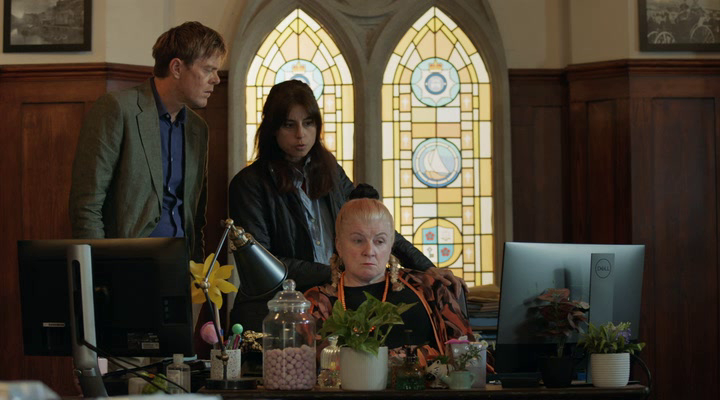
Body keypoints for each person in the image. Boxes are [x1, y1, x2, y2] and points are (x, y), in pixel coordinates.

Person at [228, 80, 465, 331]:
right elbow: (265, 264)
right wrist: (339, 272)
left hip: (331, 304)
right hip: (275, 314)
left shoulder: (330, 171)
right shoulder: (249, 184)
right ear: (272, 129)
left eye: (308, 123)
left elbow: (374, 227)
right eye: (289, 125)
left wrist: (427, 267)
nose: (300, 134)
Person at [69, 21, 226, 262]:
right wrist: (100, 269)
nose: (216, 79)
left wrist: (196, 273)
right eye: (208, 70)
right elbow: (87, 206)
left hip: (180, 266)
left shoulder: (198, 128)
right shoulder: (117, 109)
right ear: (176, 67)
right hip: (125, 264)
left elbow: (195, 217)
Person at [304, 197, 474, 365]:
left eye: (379, 241)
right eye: (358, 240)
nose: (369, 251)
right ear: (339, 245)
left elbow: (469, 358)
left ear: (391, 245)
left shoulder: (429, 288)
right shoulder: (317, 303)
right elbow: (307, 367)